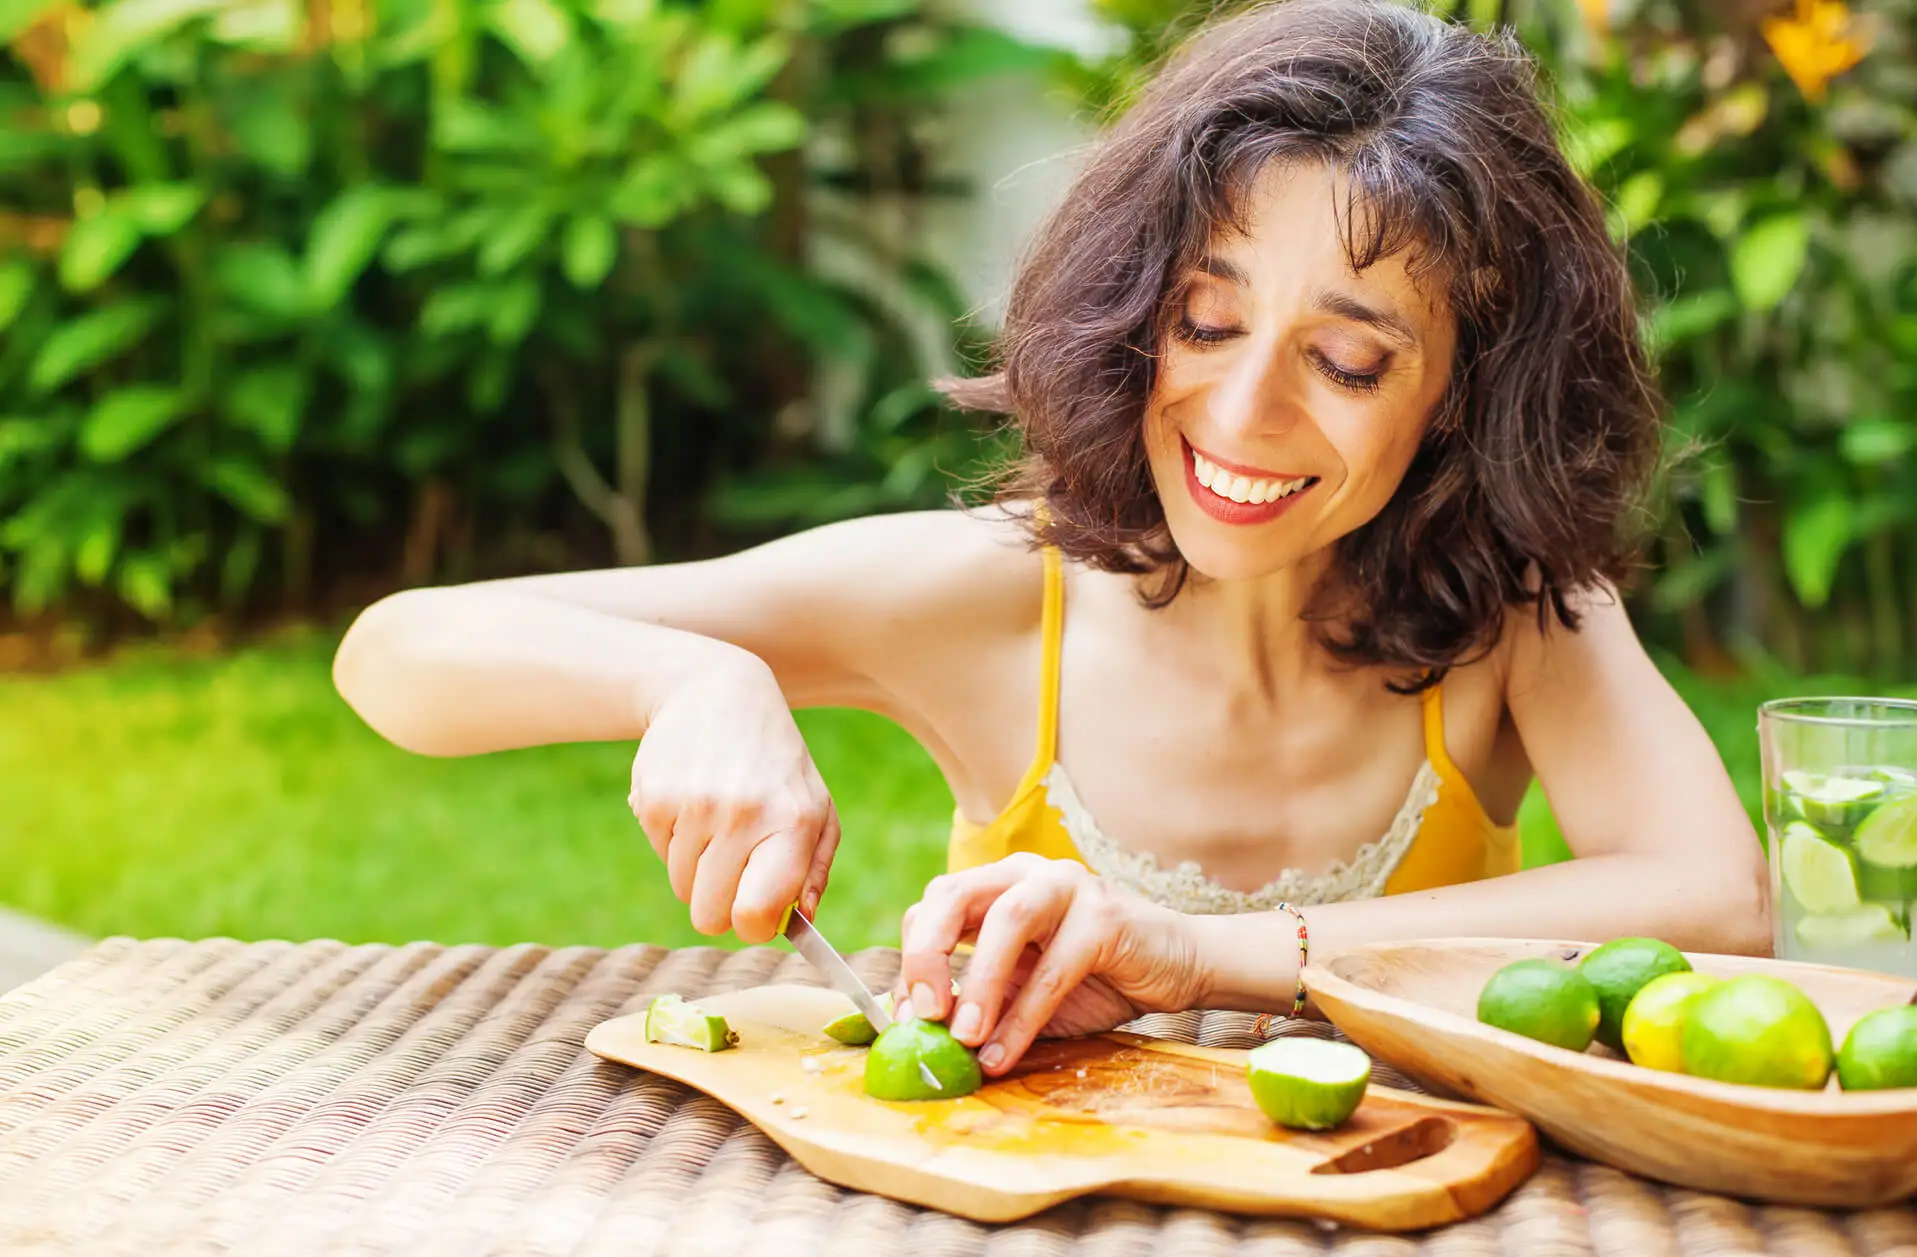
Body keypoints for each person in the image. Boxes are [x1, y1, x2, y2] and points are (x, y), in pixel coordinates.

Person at [334, 0, 1768, 1080]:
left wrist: (1201, 959)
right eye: (1205, 322)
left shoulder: (1511, 612)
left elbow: (1717, 903)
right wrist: (693, 683)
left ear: (1466, 390)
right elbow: (397, 655)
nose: (1245, 411)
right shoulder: (996, 598)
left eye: (1346, 362)